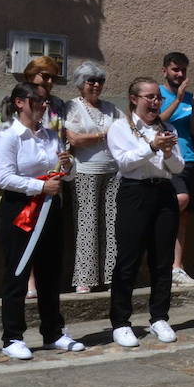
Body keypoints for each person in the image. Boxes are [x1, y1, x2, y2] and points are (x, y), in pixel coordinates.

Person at [0, 83, 83, 359]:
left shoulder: (49, 135)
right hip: (20, 209)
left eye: (45, 102)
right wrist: (39, 187)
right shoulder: (9, 136)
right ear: (20, 103)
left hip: (49, 208)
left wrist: (67, 167)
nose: (44, 106)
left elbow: (63, 173)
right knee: (18, 271)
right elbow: (4, 178)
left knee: (50, 271)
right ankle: (12, 336)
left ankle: (53, 332)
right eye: (38, 101)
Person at [106, 77, 184, 347]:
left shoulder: (168, 127)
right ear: (134, 99)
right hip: (134, 192)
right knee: (128, 258)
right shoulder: (120, 127)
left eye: (158, 98)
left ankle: (159, 316)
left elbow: (178, 168)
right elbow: (125, 163)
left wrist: (170, 151)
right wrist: (152, 147)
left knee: (162, 259)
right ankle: (120, 321)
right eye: (149, 97)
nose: (155, 102)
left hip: (163, 192)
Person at [64, 61, 121, 293]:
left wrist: (97, 136)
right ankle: (84, 278)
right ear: (80, 84)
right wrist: (104, 135)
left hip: (112, 170)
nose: (96, 85)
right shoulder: (72, 106)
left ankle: (111, 276)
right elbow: (74, 139)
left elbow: (124, 130)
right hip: (85, 171)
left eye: (100, 81)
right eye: (91, 81)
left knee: (112, 223)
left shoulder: (111, 108)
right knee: (86, 225)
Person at [158, 52, 194, 287]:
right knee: (178, 202)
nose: (180, 74)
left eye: (184, 70)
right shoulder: (156, 94)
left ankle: (177, 267)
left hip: (190, 160)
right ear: (165, 70)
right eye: (175, 69)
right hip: (167, 160)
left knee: (183, 216)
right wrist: (177, 100)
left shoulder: (190, 97)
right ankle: (161, 261)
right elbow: (156, 121)